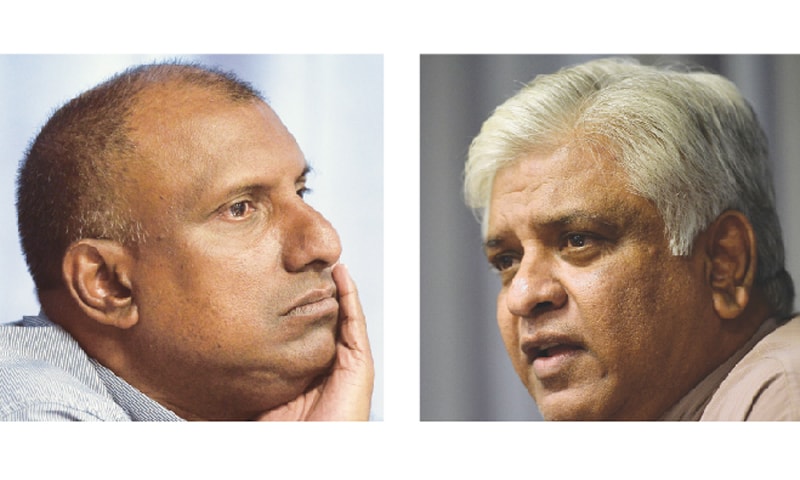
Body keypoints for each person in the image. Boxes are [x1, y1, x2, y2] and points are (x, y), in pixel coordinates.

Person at [0, 61, 374, 421]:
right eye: (240, 208)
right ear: (108, 283)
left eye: (300, 191)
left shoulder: (322, 412)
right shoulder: (34, 412)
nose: (325, 243)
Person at [463, 57, 799, 420]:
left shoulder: (783, 397)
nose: (523, 295)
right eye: (507, 261)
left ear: (723, 263)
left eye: (577, 240)